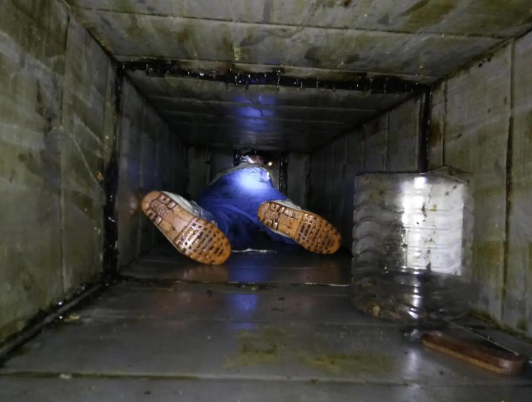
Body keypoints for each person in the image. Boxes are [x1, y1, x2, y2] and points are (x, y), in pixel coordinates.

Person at [142, 150, 341, 265]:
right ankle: (289, 216)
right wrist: (263, 168)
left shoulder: (223, 172)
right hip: (246, 186)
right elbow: (259, 183)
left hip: (213, 197)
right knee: (267, 205)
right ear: (256, 157)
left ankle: (196, 214)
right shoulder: (253, 167)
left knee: (224, 232)